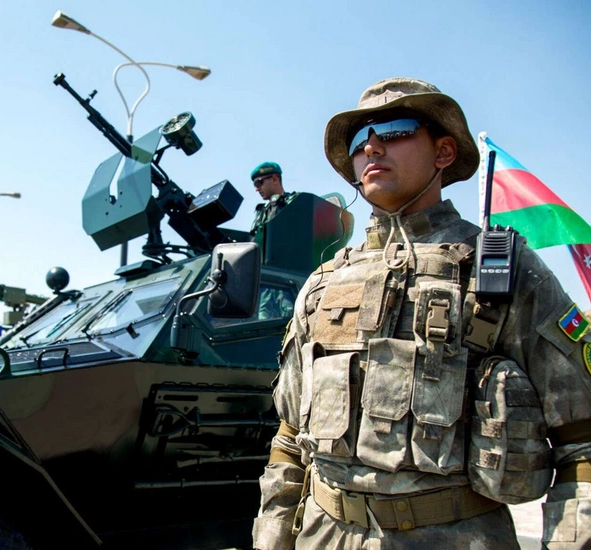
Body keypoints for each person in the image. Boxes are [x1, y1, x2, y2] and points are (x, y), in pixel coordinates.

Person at [252, 77, 591, 549]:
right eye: (357, 140)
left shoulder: (498, 269)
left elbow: (582, 442)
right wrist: (272, 536)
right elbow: (290, 437)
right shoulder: (323, 282)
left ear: (444, 153)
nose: (371, 146)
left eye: (394, 130)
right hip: (323, 534)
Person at [249, 161, 297, 236]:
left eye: (258, 183)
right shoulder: (262, 213)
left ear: (274, 179)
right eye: (255, 185)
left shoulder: (295, 201)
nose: (256, 189)